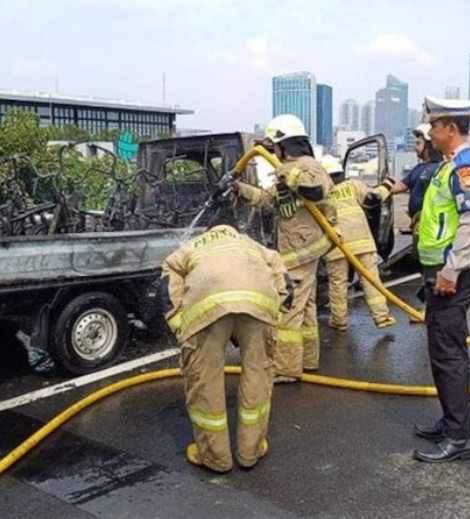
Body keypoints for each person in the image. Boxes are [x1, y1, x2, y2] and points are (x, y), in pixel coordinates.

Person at [161, 224, 294, 473]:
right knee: (258, 375)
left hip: (207, 310)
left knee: (205, 379)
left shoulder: (192, 246)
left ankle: (214, 457)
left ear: (209, 232)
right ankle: (250, 451)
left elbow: (168, 276)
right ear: (232, 230)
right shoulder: (252, 245)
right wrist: (274, 314)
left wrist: (180, 325)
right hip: (259, 305)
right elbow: (284, 280)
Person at [412, 96, 470, 463]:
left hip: (450, 274)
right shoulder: (448, 166)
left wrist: (450, 270)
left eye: (434, 126)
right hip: (439, 272)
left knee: (449, 354)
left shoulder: (465, 168)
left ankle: (459, 437)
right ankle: (450, 422)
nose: (430, 132)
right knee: (440, 352)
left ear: (451, 129)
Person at [232, 114, 335, 383]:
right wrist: (239, 189)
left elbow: (318, 191)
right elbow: (268, 200)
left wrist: (288, 174)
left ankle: (287, 369)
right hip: (299, 250)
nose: (271, 152)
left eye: (273, 146)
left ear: (283, 144)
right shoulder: (286, 169)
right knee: (306, 306)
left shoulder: (307, 166)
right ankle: (309, 360)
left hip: (301, 250)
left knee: (288, 307)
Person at [320, 156, 397, 331]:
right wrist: (387, 185)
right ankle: (381, 317)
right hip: (362, 242)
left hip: (337, 245)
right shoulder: (353, 185)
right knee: (371, 279)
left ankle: (339, 321)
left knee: (338, 283)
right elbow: (373, 198)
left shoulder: (323, 194)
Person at [390, 123, 446, 220]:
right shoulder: (419, 168)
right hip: (418, 223)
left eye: (418, 143)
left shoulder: (441, 169)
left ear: (429, 145)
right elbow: (400, 186)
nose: (415, 147)